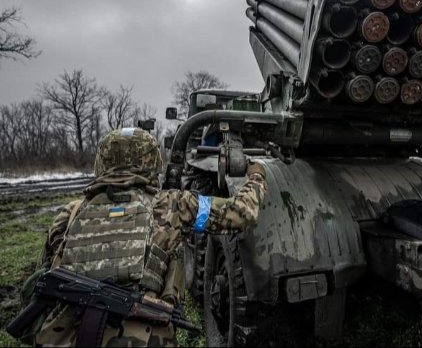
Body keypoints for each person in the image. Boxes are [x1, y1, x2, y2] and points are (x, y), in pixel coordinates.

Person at [29, 127, 267, 347]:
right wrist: (256, 175)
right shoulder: (173, 206)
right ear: (152, 163)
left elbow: (39, 282)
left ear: (101, 163)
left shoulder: (69, 213)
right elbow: (242, 212)